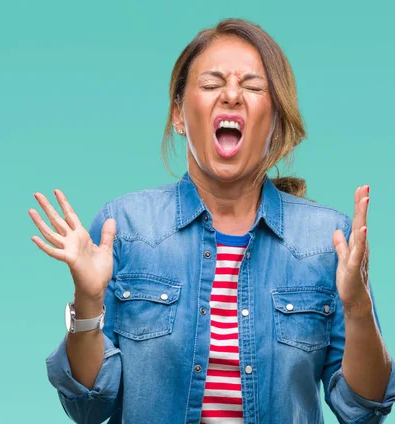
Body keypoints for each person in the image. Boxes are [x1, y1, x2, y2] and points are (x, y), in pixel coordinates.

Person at [29, 18, 395, 423]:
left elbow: (363, 410)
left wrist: (359, 311)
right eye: (211, 83)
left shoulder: (328, 240)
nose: (233, 95)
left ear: (275, 122)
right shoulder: (124, 228)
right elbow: (87, 406)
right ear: (179, 115)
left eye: (254, 86)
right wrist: (88, 302)